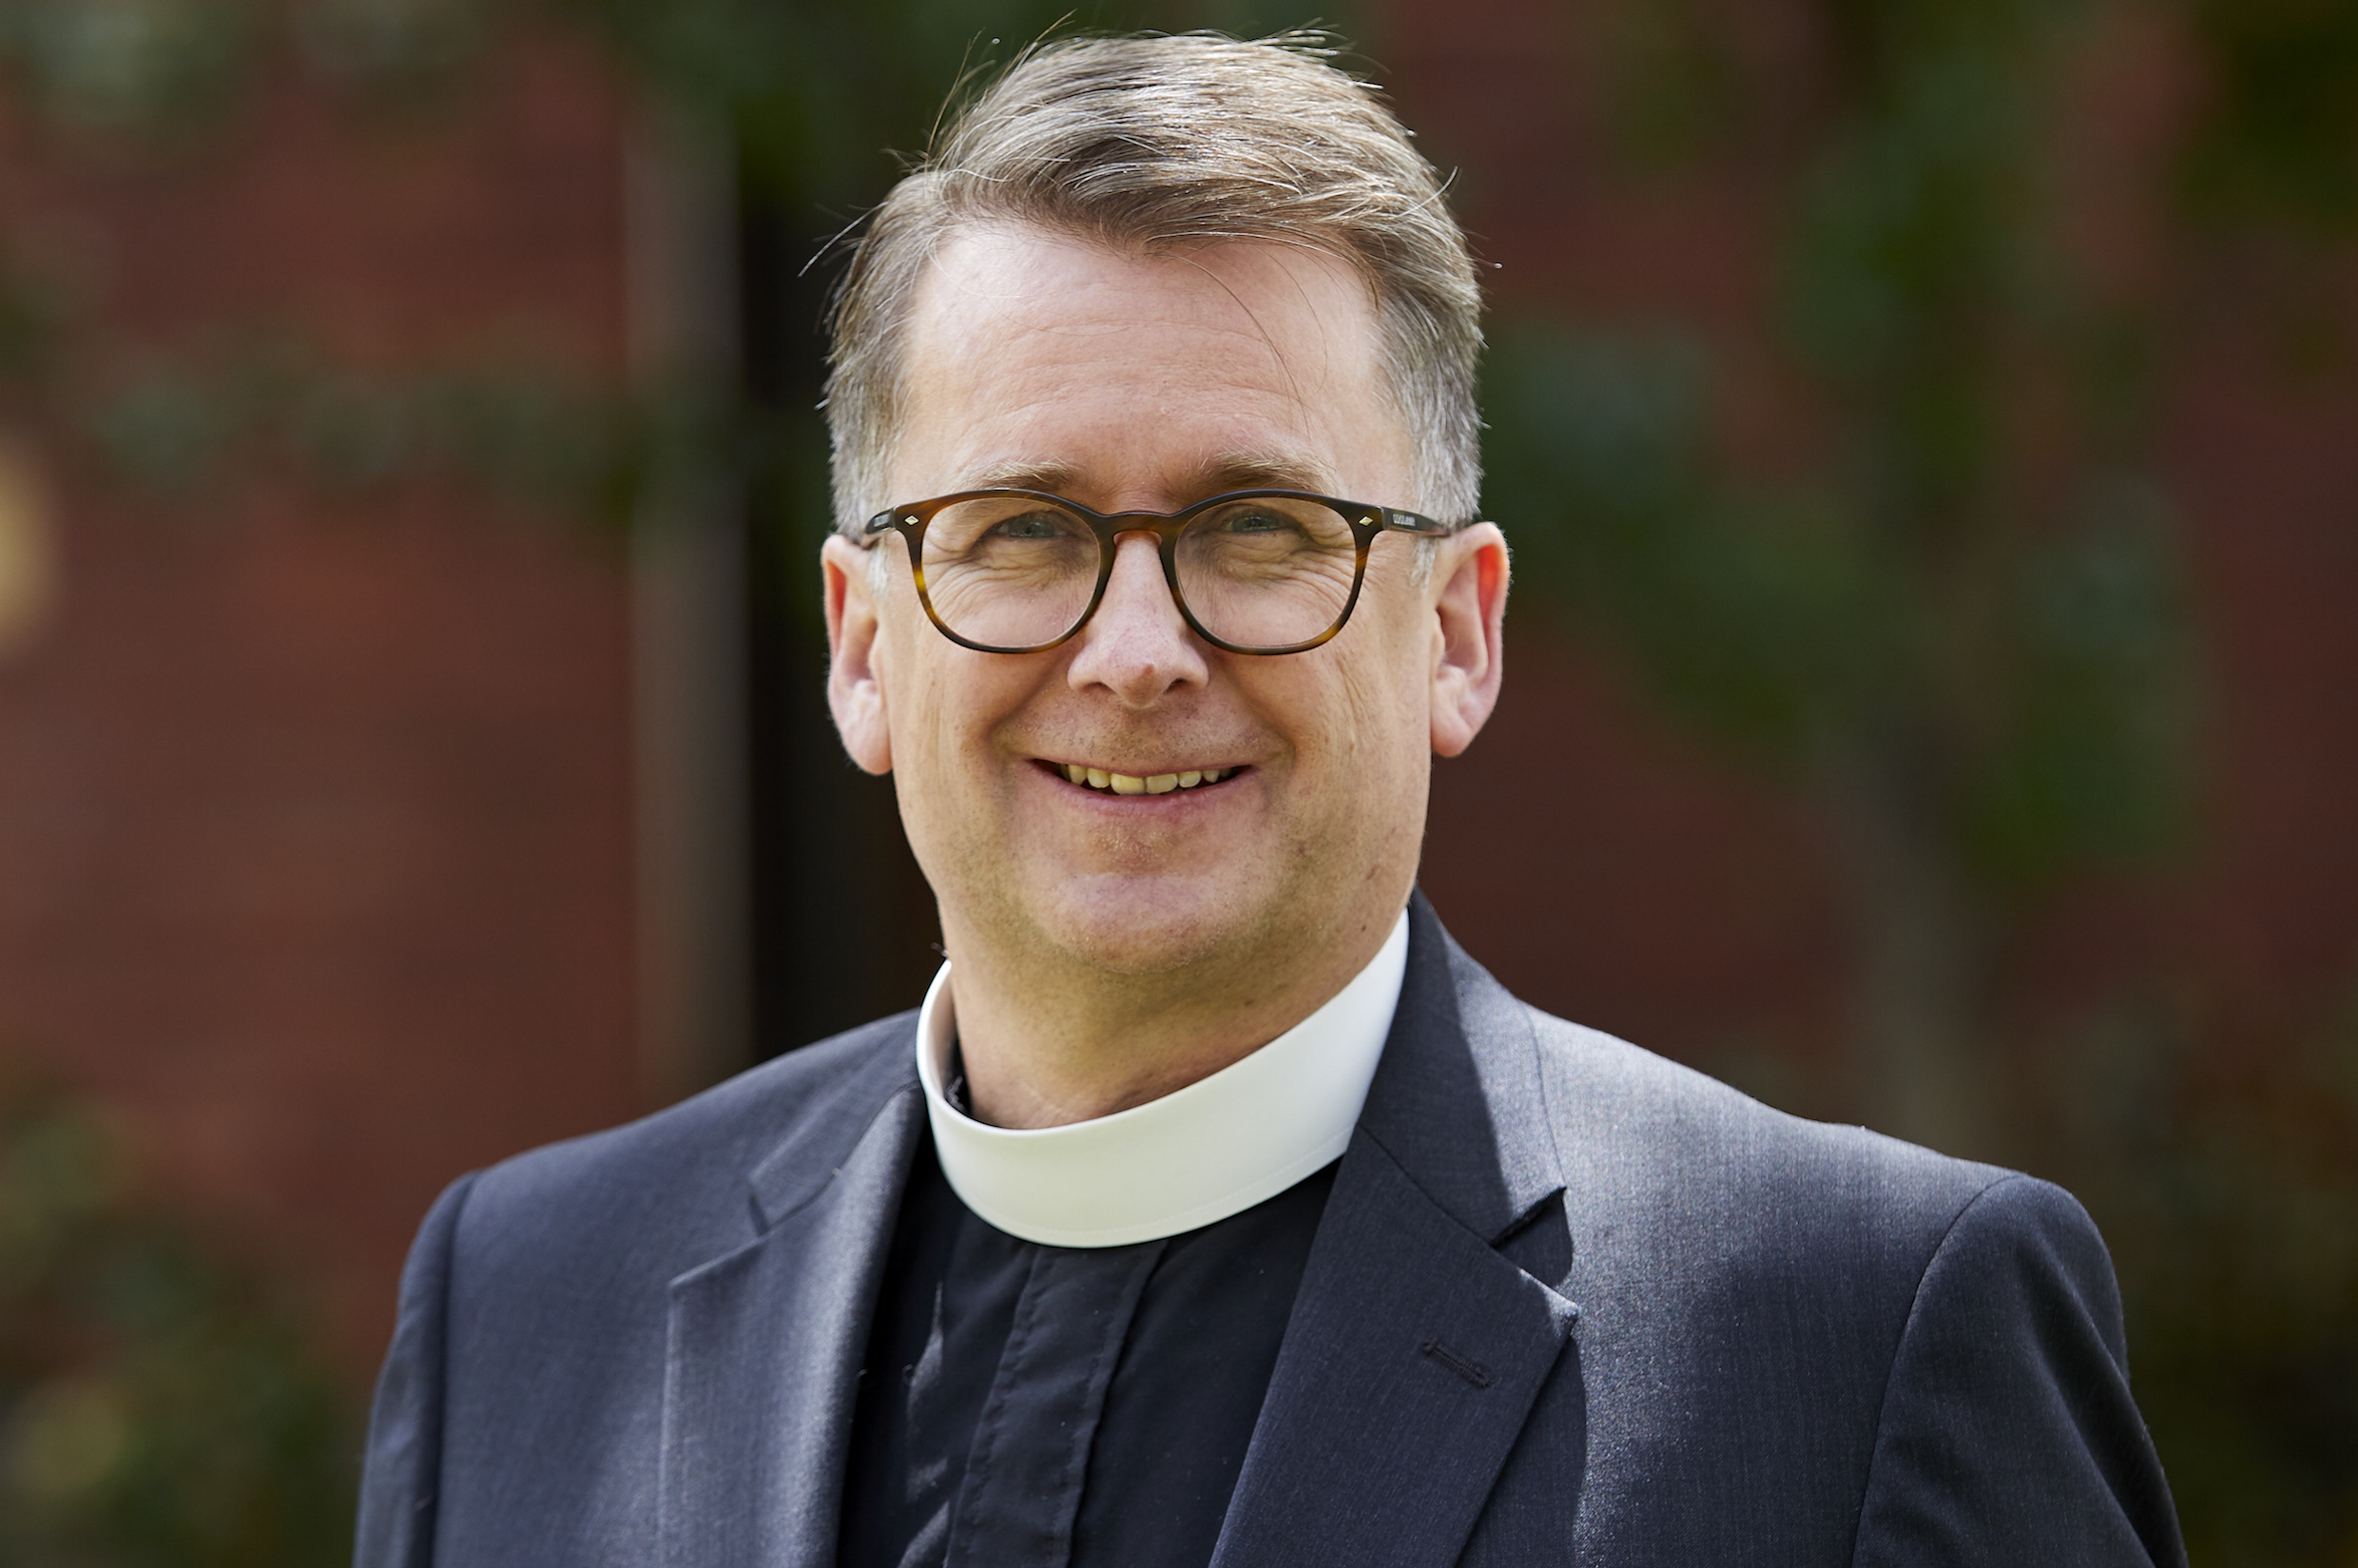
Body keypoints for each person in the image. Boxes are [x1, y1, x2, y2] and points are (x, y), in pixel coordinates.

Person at [355, 32, 2185, 1568]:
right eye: (1018, 531)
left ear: (1458, 633)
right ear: (859, 643)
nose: (1137, 649)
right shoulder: (530, 1305)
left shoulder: (1859, 1342)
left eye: (1258, 529)